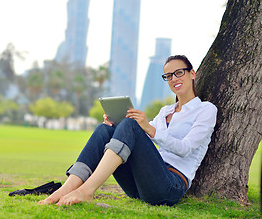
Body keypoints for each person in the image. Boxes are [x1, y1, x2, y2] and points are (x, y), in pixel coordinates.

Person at [38, 55, 217, 206]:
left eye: (179, 73)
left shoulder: (206, 110)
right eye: (168, 76)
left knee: (130, 125)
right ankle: (68, 187)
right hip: (140, 185)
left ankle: (87, 190)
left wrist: (147, 127)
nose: (174, 79)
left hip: (170, 186)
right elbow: (136, 133)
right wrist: (116, 123)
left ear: (192, 73)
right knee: (105, 129)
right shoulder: (165, 112)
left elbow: (185, 149)